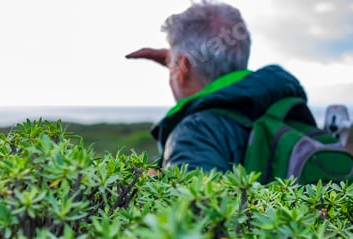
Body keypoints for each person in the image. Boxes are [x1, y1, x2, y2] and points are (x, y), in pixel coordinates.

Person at [126, 0, 307, 172]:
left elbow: (192, 203)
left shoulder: (195, 133)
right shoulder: (277, 104)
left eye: (172, 63)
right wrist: (180, 64)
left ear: (183, 68)